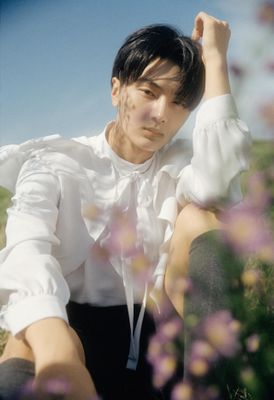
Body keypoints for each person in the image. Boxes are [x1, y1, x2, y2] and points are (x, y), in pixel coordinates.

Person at [0, 11, 251, 400]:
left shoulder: (179, 163)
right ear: (116, 90)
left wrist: (215, 59)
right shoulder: (57, 161)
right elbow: (25, 250)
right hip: (74, 333)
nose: (162, 114)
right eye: (149, 93)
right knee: (27, 341)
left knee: (202, 216)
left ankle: (205, 382)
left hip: (160, 335)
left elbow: (221, 183)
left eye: (180, 102)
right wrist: (57, 350)